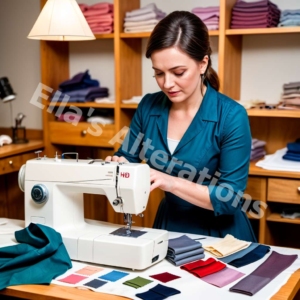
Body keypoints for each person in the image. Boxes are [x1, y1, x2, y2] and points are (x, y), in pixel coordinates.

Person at [106, 11, 256, 242]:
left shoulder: (231, 116)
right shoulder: (148, 106)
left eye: (178, 72)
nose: (167, 83)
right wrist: (119, 165)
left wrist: (171, 182)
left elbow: (230, 198)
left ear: (202, 64)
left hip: (221, 235)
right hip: (169, 227)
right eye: (158, 73)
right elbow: (128, 157)